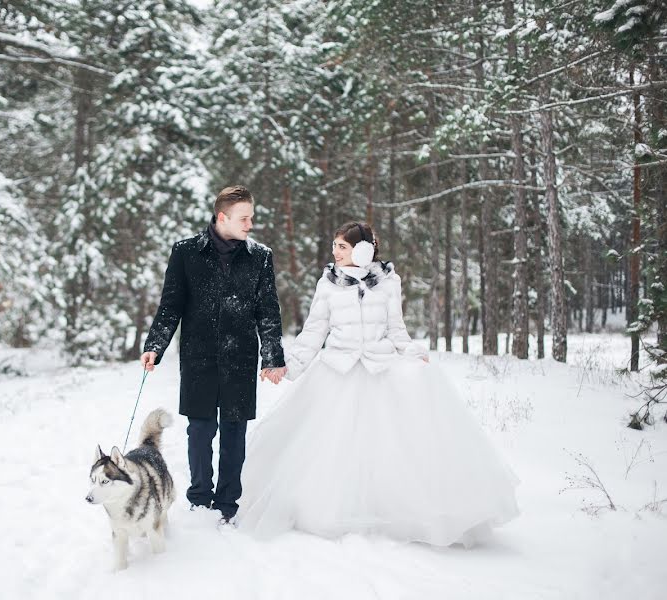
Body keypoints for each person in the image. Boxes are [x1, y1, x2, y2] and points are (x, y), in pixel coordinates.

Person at [238, 222, 519, 546]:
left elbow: (396, 329)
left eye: (342, 247)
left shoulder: (387, 282)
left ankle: (388, 511)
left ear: (363, 251)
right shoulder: (328, 283)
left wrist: (413, 353)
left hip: (378, 369)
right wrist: (291, 366)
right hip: (337, 371)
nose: (335, 252)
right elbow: (314, 331)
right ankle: (328, 509)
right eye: (335, 246)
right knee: (332, 447)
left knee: (386, 446)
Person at [141, 186, 287, 525]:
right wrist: (155, 345)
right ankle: (199, 501)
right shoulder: (186, 252)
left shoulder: (259, 256)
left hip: (240, 358)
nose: (251, 224)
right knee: (200, 431)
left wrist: (272, 357)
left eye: (251, 217)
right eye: (244, 218)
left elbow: (268, 310)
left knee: (234, 434)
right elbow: (171, 305)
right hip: (199, 357)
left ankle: (227, 505)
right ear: (222, 217)